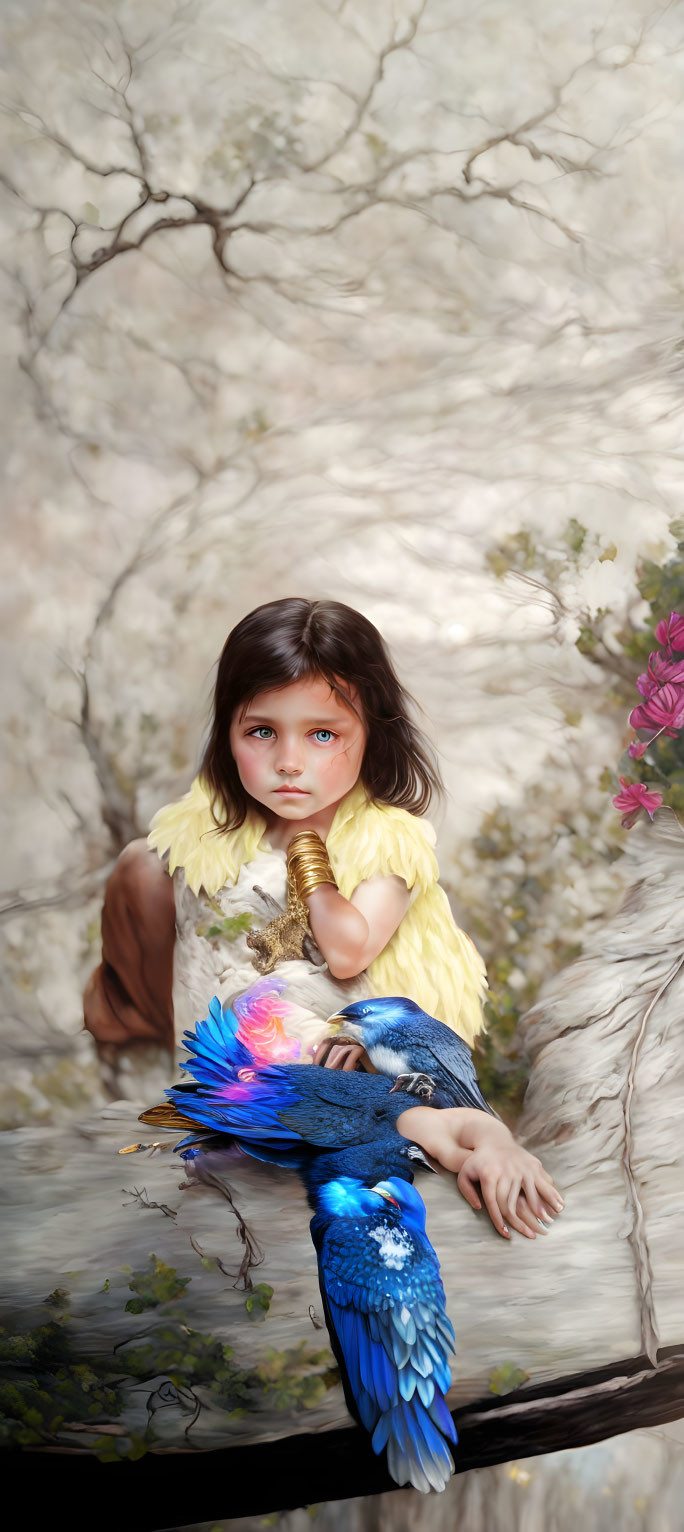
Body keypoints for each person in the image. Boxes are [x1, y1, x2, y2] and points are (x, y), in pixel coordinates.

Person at [84, 597, 563, 1239]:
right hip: (245, 1020)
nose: (288, 761)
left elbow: (347, 955)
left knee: (354, 1098)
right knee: (142, 865)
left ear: (373, 735)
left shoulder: (386, 839)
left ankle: (451, 1135)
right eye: (261, 732)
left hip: (348, 1023)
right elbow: (203, 939)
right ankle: (150, 1022)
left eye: (322, 735)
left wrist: (309, 862)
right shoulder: (212, 830)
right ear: (228, 732)